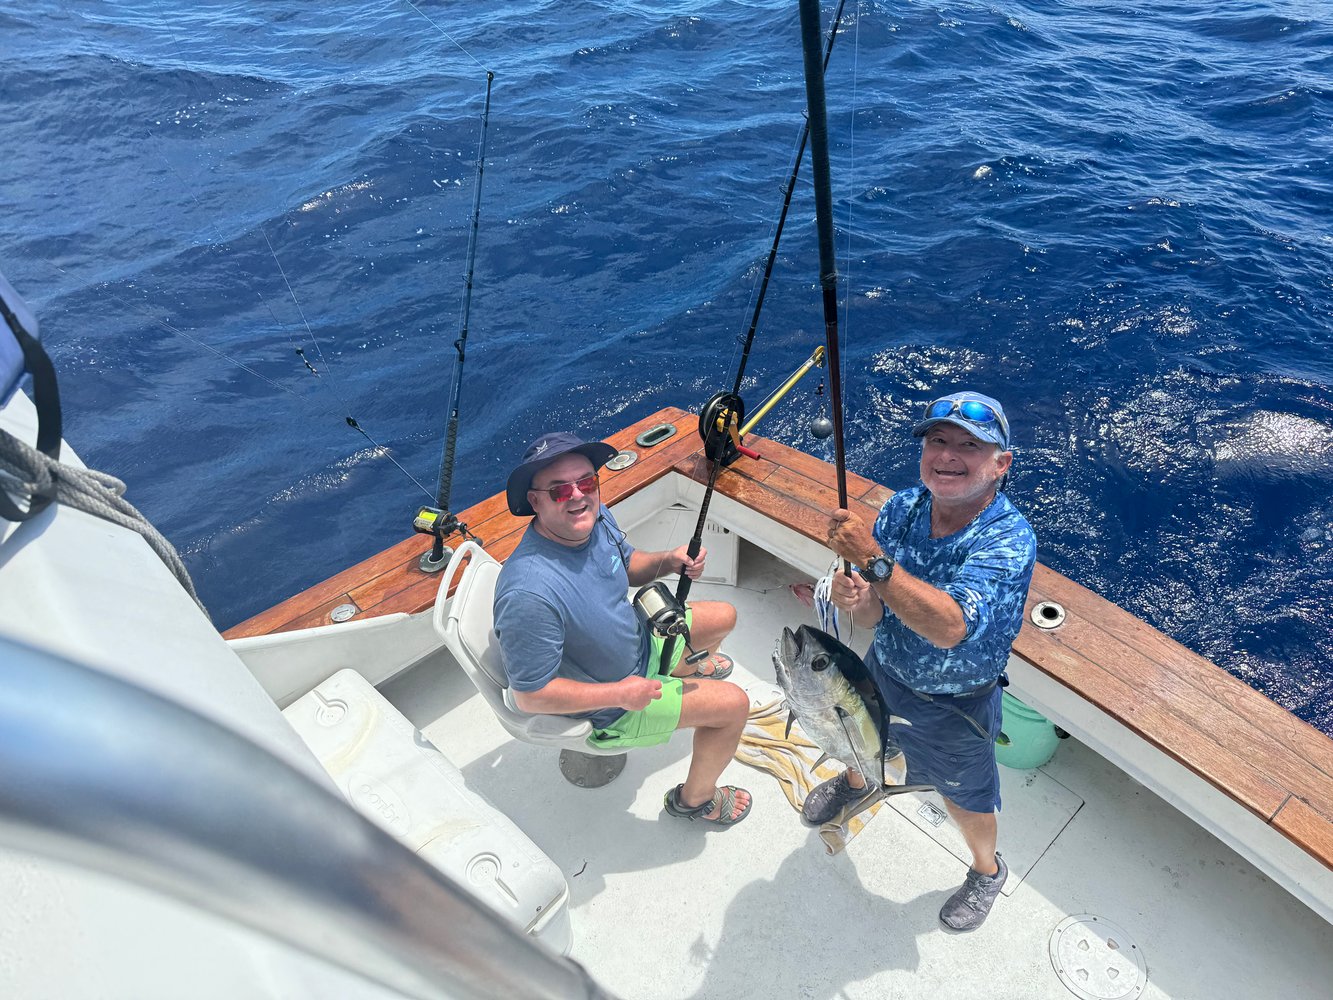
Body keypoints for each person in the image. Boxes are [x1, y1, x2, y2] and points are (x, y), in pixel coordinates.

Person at [805, 391, 1036, 931]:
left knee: (967, 796)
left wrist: (870, 559)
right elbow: (873, 612)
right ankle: (858, 784)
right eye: (938, 440)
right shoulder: (902, 507)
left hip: (955, 704)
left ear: (1001, 464)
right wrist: (860, 599)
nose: (948, 455)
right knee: (862, 743)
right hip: (883, 667)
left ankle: (987, 869)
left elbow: (951, 626)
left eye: (969, 445)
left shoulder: (1007, 538)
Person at [493, 432, 753, 826]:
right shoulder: (528, 592)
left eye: (587, 482)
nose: (579, 496)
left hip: (642, 642)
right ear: (535, 501)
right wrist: (621, 693)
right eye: (560, 490)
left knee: (725, 616)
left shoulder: (595, 520)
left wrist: (669, 560)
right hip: (613, 706)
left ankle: (679, 667)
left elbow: (627, 564)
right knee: (735, 706)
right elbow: (531, 696)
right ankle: (696, 800)